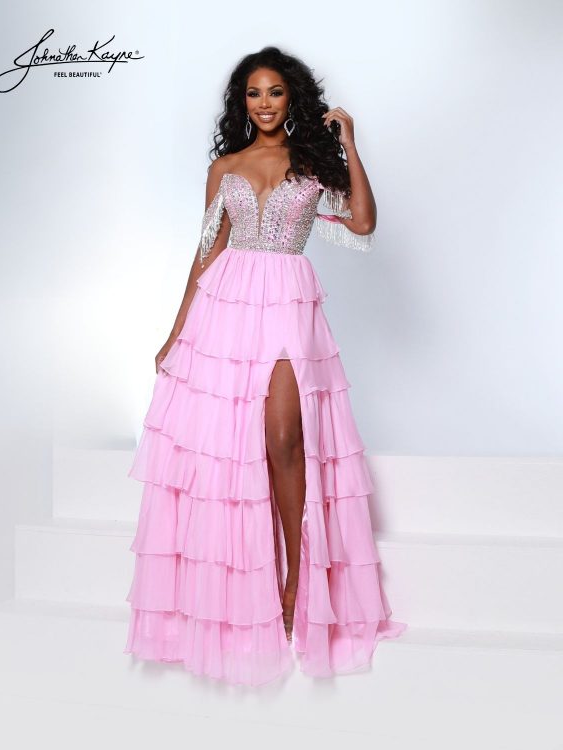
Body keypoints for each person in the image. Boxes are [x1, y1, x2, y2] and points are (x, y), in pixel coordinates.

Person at [124, 46, 407, 686]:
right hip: (225, 309)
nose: (264, 103)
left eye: (275, 92)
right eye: (253, 93)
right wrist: (175, 333)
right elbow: (205, 253)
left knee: (284, 435)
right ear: (242, 102)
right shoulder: (225, 167)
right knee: (229, 448)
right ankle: (238, 586)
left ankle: (296, 579)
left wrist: (349, 144)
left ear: (292, 97)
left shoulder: (310, 162)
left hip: (285, 302)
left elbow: (363, 222)